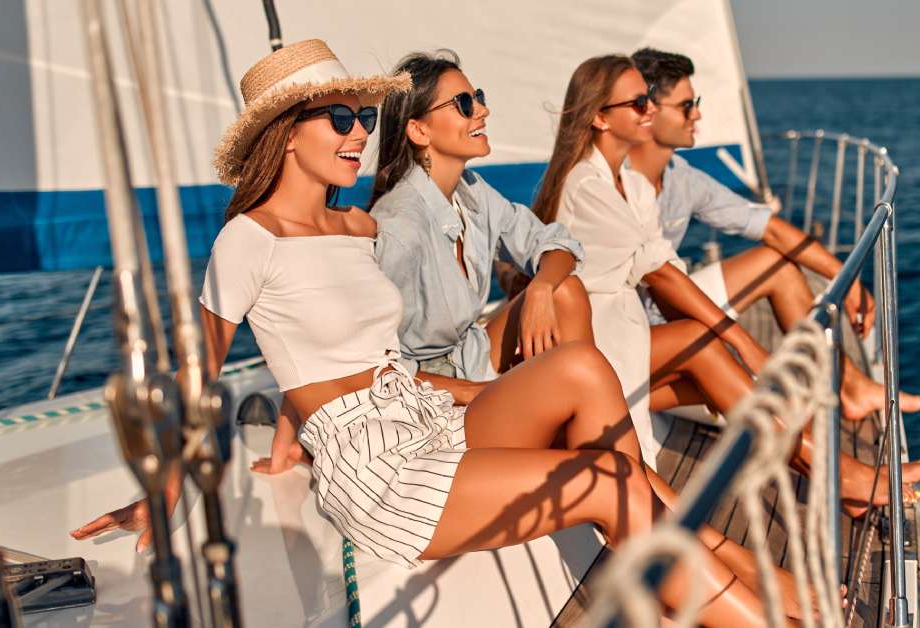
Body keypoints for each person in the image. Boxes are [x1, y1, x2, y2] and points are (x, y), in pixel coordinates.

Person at [68, 40, 814, 624]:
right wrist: (162, 491)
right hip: (375, 469)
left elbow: (382, 358)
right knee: (606, 480)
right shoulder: (249, 240)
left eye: (364, 117)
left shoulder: (356, 224)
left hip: (424, 414)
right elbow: (201, 374)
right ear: (284, 135)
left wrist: (479, 381)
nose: (361, 132)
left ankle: (686, 571)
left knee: (583, 372)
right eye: (340, 118)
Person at [532, 55, 920, 517]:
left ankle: (840, 465)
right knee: (716, 353)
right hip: (597, 346)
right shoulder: (587, 186)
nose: (655, 111)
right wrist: (742, 341)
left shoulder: (638, 184)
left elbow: (678, 261)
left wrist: (837, 285)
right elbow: (659, 275)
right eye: (644, 101)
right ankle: (841, 473)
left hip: (632, 338)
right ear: (600, 116)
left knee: (758, 387)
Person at [627, 47, 920, 421]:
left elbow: (771, 229)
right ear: (646, 110)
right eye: (686, 106)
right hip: (631, 337)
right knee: (779, 404)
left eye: (698, 103)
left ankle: (848, 384)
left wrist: (847, 281)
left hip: (661, 314)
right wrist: (743, 343)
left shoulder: (681, 178)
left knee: (777, 264)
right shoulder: (612, 181)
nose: (698, 115)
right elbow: (658, 277)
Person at [369, 51, 590, 392]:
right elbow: (369, 361)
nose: (483, 111)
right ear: (418, 130)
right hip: (425, 390)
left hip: (470, 359)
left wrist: (542, 288)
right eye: (463, 103)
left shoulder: (471, 192)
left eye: (478, 98)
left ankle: (586, 427)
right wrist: (478, 394)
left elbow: (554, 242)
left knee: (565, 290)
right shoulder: (399, 224)